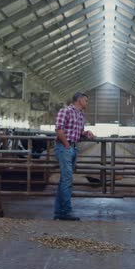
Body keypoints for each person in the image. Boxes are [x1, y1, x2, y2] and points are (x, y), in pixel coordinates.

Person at [54, 92, 95, 221]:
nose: (87, 103)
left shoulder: (81, 114)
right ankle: (66, 212)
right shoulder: (65, 111)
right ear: (80, 100)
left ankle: (59, 212)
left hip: (73, 147)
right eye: (86, 101)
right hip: (65, 147)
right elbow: (58, 129)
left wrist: (87, 133)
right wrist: (66, 145)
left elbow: (79, 131)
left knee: (64, 180)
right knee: (67, 180)